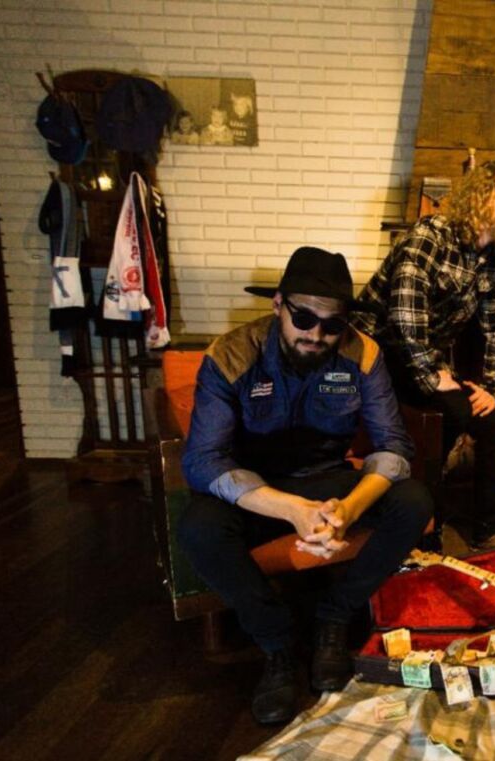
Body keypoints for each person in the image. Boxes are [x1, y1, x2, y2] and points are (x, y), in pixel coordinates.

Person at [179, 246, 434, 724]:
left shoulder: (364, 354)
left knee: (414, 500)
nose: (316, 335)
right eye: (303, 318)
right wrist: (293, 510)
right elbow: (202, 460)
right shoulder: (230, 354)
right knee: (198, 526)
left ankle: (334, 617)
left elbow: (395, 447)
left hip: (329, 481)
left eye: (332, 324)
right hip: (257, 491)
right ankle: (276, 644)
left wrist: (349, 510)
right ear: (278, 304)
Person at [353, 159, 495, 550]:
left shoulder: (494, 259)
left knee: (493, 425)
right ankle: (425, 530)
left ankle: (486, 530)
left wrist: (492, 388)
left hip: (423, 357)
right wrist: (433, 376)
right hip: (375, 355)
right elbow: (403, 315)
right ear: (483, 200)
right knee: (447, 414)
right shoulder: (429, 237)